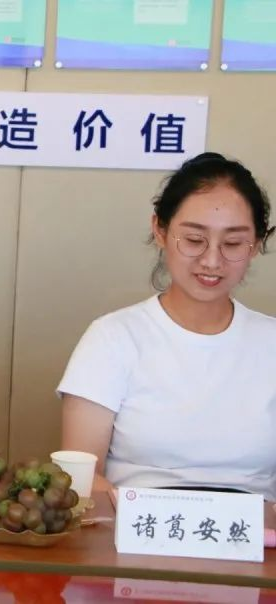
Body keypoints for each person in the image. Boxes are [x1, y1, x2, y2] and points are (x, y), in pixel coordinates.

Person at [59, 152, 276, 499]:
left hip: (256, 530)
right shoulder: (112, 338)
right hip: (134, 527)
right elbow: (81, 476)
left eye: (233, 243)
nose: (211, 260)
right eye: (194, 240)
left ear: (256, 246)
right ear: (160, 230)